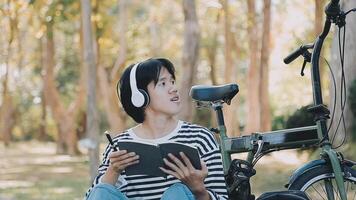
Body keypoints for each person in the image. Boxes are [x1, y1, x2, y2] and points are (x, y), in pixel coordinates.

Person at [85, 58, 228, 200]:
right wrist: (113, 171)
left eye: (172, 81)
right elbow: (96, 196)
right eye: (163, 83)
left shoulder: (200, 138)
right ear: (139, 96)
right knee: (102, 190)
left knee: (177, 193)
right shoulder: (118, 146)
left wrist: (199, 190)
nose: (174, 88)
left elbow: (222, 197)